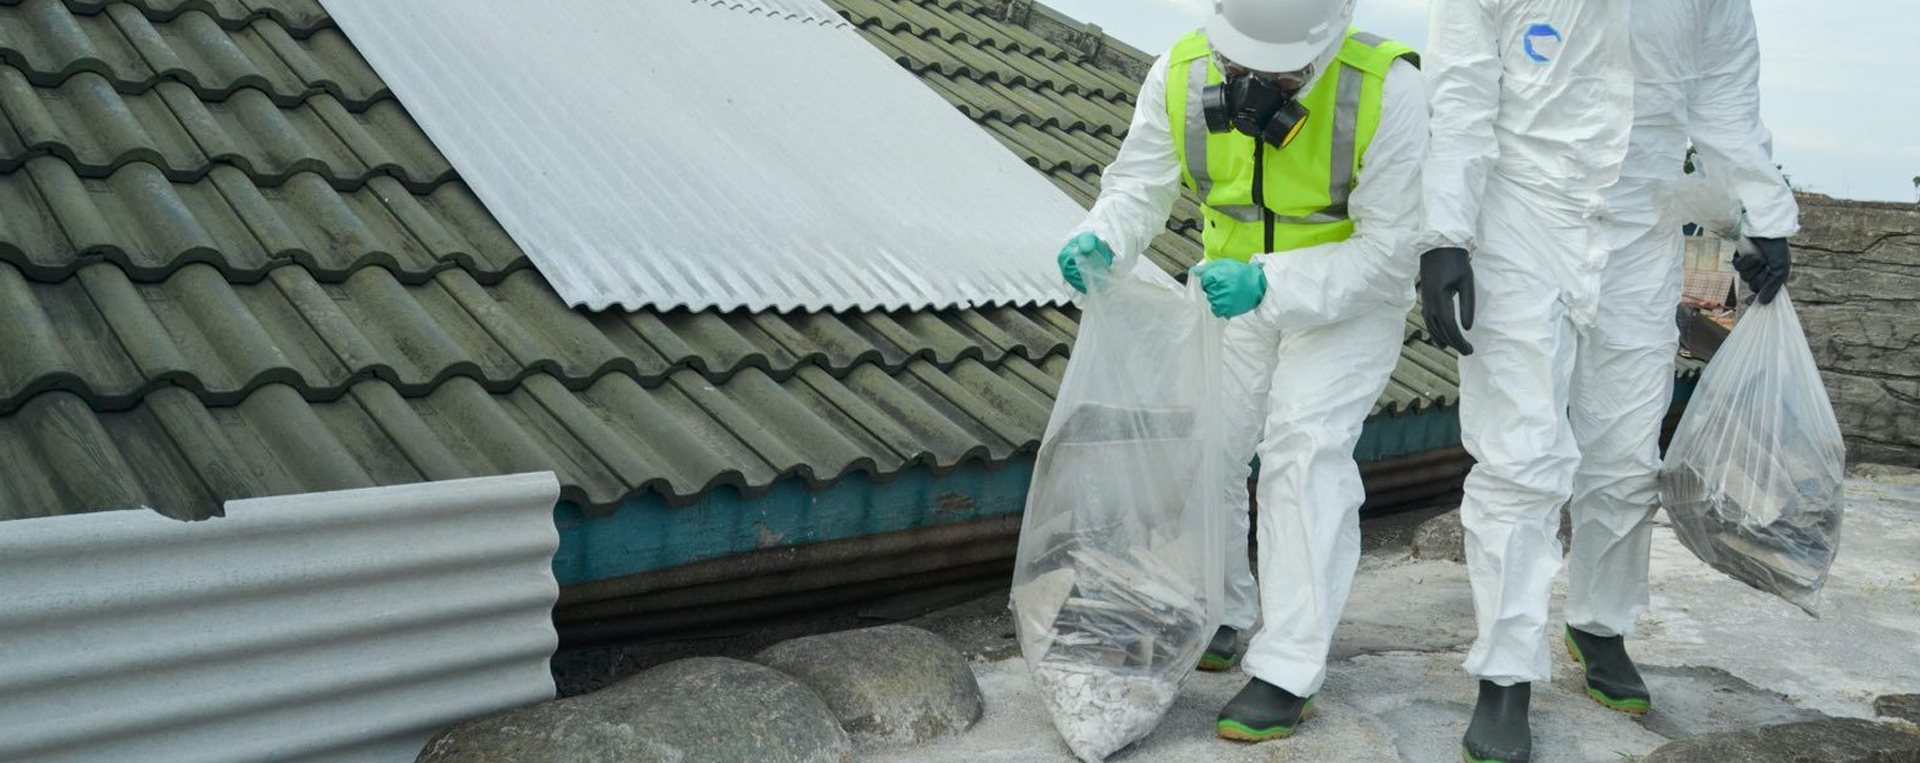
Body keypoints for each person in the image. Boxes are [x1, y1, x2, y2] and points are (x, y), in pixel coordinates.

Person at [1416, 1, 1798, 761]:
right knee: (1521, 457)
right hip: (1521, 217)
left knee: (1625, 450)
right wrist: (1445, 235)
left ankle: (1599, 621)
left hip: (1640, 224)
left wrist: (1762, 214)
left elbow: (1724, 96)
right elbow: (1459, 99)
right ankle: (1505, 668)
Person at [1056, 0, 1427, 743]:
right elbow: (1140, 185)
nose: (1253, 80)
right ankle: (1224, 610)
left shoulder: (1388, 87)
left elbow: (1393, 249)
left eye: (1278, 72)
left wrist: (1274, 282)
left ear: (1324, 47)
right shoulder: (1181, 73)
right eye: (1240, 65)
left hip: (1345, 301)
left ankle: (1289, 668)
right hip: (1231, 293)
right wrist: (1102, 237)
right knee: (1212, 447)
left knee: (1301, 451)